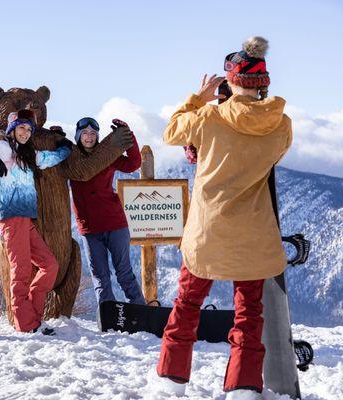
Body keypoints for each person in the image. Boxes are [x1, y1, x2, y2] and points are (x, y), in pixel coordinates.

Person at [153, 37, 292, 400]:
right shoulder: (281, 124)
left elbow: (171, 131)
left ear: (229, 82)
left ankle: (172, 380)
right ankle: (243, 387)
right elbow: (268, 156)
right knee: (249, 314)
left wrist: (198, 98)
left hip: (207, 232)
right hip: (254, 233)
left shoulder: (209, 117)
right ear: (263, 84)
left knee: (187, 304)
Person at [0, 109, 72, 335]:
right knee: (20, 271)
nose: (25, 132)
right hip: (10, 218)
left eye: (29, 129)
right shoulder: (3, 148)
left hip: (26, 219)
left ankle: (33, 316)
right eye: (21, 128)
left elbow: (50, 159)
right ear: (12, 130)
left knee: (49, 265)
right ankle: (27, 325)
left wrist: (65, 149)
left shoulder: (29, 154)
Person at [69, 117, 146, 307]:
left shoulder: (107, 155)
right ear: (79, 136)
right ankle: (108, 315)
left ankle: (140, 311)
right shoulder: (71, 158)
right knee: (100, 276)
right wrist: (55, 139)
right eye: (85, 133)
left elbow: (134, 163)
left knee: (124, 272)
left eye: (93, 134)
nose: (89, 137)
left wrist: (129, 136)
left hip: (115, 224)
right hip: (89, 228)